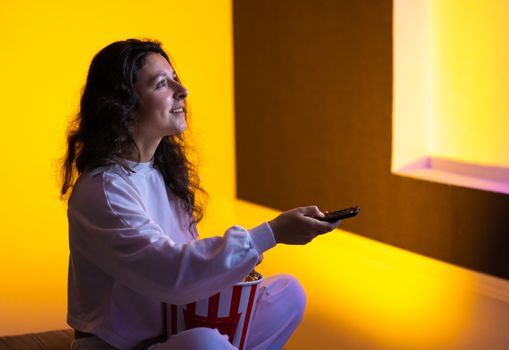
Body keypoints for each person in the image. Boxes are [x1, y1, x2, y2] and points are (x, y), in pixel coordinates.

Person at [61, 39, 339, 350]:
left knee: (288, 293)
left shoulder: (162, 173)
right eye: (162, 84)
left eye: (176, 78)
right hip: (119, 347)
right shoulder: (103, 191)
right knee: (205, 344)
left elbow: (187, 268)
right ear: (123, 106)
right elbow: (169, 273)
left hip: (174, 333)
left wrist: (235, 269)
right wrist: (271, 233)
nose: (182, 91)